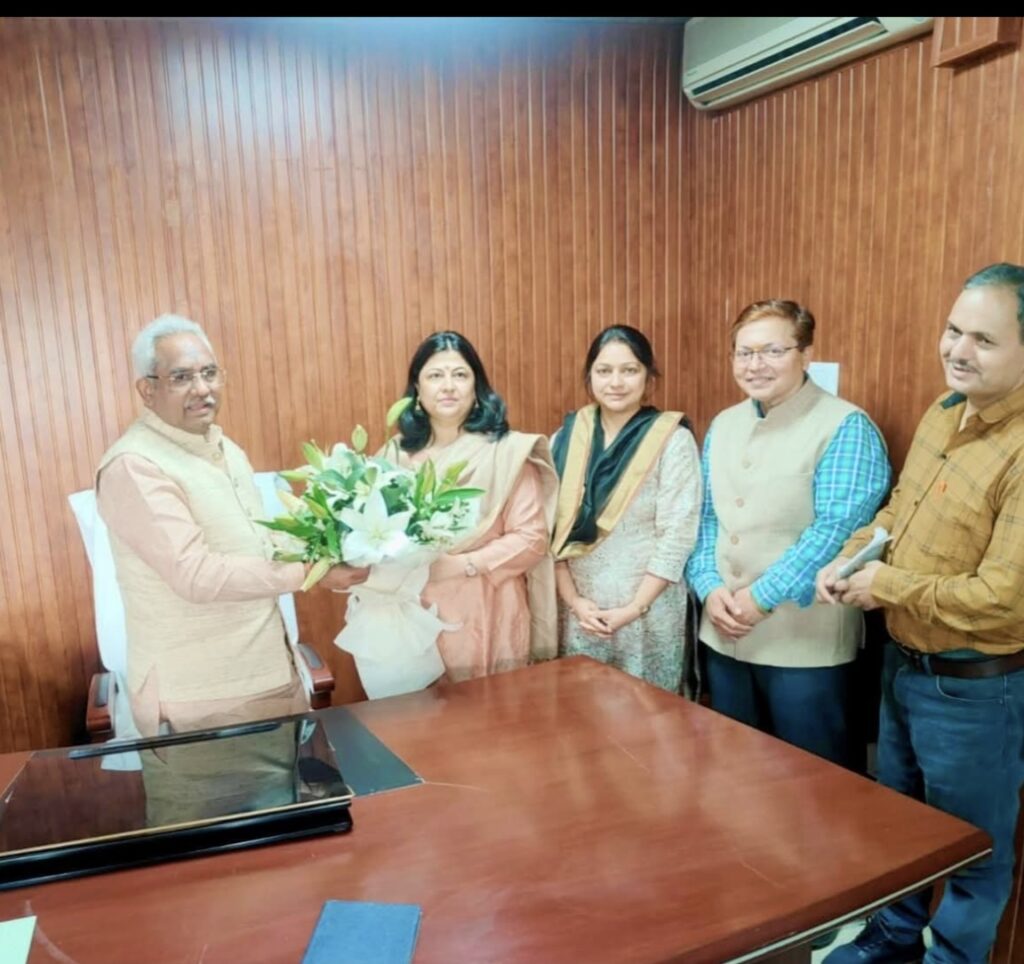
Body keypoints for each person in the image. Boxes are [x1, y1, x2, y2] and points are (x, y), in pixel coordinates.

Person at [818, 264, 1024, 964]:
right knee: (900, 827)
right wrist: (851, 557)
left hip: (976, 689)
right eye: (953, 330)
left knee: (972, 852)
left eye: (984, 340)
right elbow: (897, 515)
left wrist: (889, 586)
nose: (958, 350)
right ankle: (893, 938)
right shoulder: (944, 411)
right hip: (903, 667)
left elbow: (1005, 595)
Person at [97, 314, 366, 737]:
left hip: (272, 677)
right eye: (181, 377)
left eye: (209, 373)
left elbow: (262, 539)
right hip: (203, 700)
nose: (202, 389)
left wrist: (343, 543)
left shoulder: (226, 449)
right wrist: (310, 573)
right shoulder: (135, 466)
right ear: (147, 390)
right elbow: (196, 575)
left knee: (302, 781)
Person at [685, 300, 890, 768]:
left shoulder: (845, 426)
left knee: (814, 786)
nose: (755, 365)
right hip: (724, 635)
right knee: (733, 773)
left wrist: (760, 598)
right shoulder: (724, 423)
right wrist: (709, 587)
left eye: (773, 351)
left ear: (806, 355)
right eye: (744, 353)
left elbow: (835, 531)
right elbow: (707, 517)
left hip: (806, 648)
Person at [392, 330, 559, 681]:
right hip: (410, 612)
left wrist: (461, 565)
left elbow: (532, 539)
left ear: (476, 387)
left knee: (488, 710)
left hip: (487, 605)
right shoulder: (394, 456)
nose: (448, 386)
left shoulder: (506, 451)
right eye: (435, 376)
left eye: (460, 375)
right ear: (417, 389)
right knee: (418, 710)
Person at [551, 325, 702, 693]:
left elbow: (678, 533)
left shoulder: (672, 440)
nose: (616, 382)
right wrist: (574, 601)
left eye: (629, 370)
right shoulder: (565, 438)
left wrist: (635, 608)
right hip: (579, 612)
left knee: (647, 714)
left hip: (648, 611)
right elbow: (550, 531)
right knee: (580, 712)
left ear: (649, 378)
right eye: (604, 371)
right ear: (589, 377)